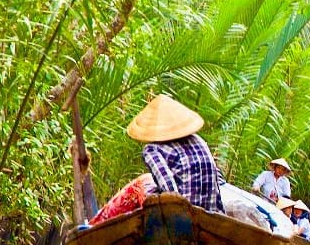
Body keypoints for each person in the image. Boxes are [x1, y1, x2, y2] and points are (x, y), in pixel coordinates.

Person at [89, 94, 223, 224]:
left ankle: (97, 224)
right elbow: (219, 179)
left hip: (184, 219)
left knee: (139, 186)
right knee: (146, 182)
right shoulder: (199, 141)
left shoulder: (152, 150)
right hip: (210, 214)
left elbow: (170, 191)